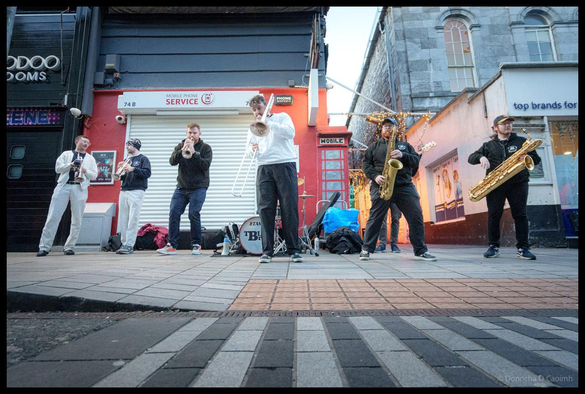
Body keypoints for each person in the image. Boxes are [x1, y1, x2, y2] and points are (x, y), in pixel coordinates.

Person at [360, 117, 436, 261]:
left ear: (396, 129)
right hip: (381, 186)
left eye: (391, 126)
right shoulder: (373, 147)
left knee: (416, 216)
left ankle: (420, 250)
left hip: (404, 186)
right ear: (381, 130)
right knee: (375, 218)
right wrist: (375, 176)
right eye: (385, 126)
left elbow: (415, 161)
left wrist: (403, 155)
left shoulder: (405, 146)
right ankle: (366, 249)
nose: (388, 128)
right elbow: (366, 165)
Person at [468, 115, 541, 260]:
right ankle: (493, 246)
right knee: (494, 215)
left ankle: (523, 247)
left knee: (520, 215)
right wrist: (480, 157)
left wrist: (528, 158)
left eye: (509, 123)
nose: (508, 126)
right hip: (495, 184)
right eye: (504, 124)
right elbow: (471, 158)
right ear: (495, 128)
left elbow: (536, 159)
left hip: (518, 183)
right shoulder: (488, 145)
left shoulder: (521, 141)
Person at [247, 94, 303, 263]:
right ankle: (267, 251)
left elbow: (290, 133)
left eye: (260, 108)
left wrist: (268, 122)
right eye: (254, 110)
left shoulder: (282, 117)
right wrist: (253, 150)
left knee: (289, 208)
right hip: (264, 167)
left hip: (285, 163)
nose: (257, 112)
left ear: (267, 107)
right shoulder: (253, 128)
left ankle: (293, 250)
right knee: (265, 209)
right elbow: (249, 151)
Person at [37, 135, 98, 256]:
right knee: (53, 216)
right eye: (84, 141)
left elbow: (94, 175)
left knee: (77, 218)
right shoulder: (66, 154)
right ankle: (44, 247)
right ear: (77, 141)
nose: (86, 144)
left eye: (88, 143)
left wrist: (84, 170)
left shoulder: (90, 159)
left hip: (79, 187)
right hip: (63, 186)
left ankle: (69, 246)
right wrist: (70, 165)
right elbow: (58, 169)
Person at [157, 123, 212, 255]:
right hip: (181, 187)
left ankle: (196, 245)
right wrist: (182, 151)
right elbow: (172, 161)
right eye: (189, 133)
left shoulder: (205, 148)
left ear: (199, 134)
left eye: (194, 133)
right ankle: (172, 245)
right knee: (174, 213)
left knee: (193, 214)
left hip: (199, 187)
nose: (191, 135)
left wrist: (194, 154)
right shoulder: (180, 145)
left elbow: (205, 166)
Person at [115, 138, 152, 254]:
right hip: (124, 189)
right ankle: (124, 243)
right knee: (123, 218)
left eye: (129, 145)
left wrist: (133, 169)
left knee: (133, 218)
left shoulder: (143, 159)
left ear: (136, 146)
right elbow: (123, 176)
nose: (127, 147)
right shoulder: (127, 159)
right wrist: (120, 172)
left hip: (137, 190)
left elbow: (147, 173)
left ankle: (130, 244)